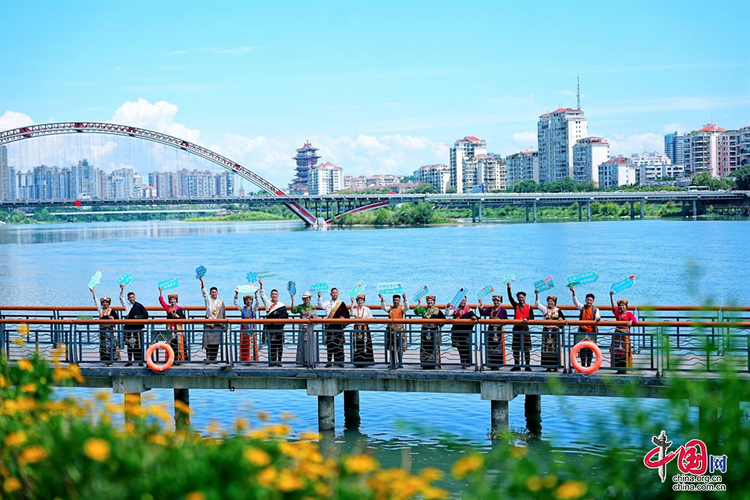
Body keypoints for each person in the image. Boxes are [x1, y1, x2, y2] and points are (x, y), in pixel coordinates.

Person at [570, 286, 601, 368]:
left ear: (593, 301)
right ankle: (583, 365)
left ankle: (589, 365)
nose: (589, 301)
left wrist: (598, 318)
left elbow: (597, 316)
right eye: (588, 300)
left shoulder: (595, 309)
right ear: (585, 300)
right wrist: (573, 292)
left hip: (591, 332)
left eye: (590, 300)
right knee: (582, 349)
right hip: (582, 331)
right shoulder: (582, 307)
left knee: (590, 350)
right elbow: (575, 302)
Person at [317, 288, 350, 367]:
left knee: (339, 345)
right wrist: (319, 297)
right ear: (330, 294)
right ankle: (329, 361)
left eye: (336, 293)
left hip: (338, 327)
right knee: (330, 345)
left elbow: (347, 314)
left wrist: (343, 317)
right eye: (333, 293)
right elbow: (321, 306)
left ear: (338, 294)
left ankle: (339, 362)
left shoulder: (341, 303)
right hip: (329, 327)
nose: (334, 294)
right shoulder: (327, 303)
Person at [534, 291, 565, 372]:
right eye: (549, 301)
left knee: (555, 349)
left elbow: (563, 320)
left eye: (552, 301)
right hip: (546, 332)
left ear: (554, 303)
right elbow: (537, 304)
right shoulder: (545, 309)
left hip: (555, 332)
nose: (550, 303)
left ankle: (555, 366)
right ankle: (547, 365)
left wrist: (561, 319)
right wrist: (537, 294)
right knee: (546, 349)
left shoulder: (558, 310)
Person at [260, 279, 288, 367]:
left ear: (278, 295)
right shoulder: (268, 303)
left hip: (279, 328)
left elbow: (286, 316)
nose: (274, 296)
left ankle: (279, 361)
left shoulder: (282, 305)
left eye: (275, 294)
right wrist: (261, 285)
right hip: (270, 328)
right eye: (273, 294)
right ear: (271, 295)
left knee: (279, 345)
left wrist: (278, 314)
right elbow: (262, 295)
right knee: (271, 345)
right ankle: (272, 362)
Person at [507, 283, 534, 371]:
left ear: (525, 298)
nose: (520, 299)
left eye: (522, 297)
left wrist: (527, 318)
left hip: (525, 329)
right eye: (519, 297)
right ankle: (516, 365)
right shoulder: (516, 306)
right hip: (516, 329)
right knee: (516, 348)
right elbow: (510, 298)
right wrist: (509, 288)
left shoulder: (529, 307)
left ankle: (527, 365)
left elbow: (532, 317)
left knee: (527, 348)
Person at [413, 295, 445, 370]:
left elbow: (443, 320)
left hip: (434, 330)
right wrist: (419, 303)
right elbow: (416, 311)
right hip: (425, 330)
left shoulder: (437, 310)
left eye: (431, 301)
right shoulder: (424, 309)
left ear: (434, 302)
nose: (430, 302)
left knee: (434, 346)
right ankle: (425, 363)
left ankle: (435, 363)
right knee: (424, 346)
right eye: (428, 301)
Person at [120, 284, 149, 366]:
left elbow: (146, 315)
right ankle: (130, 361)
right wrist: (122, 289)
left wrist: (138, 317)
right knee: (129, 344)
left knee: (138, 344)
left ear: (135, 297)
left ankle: (139, 361)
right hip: (128, 327)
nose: (132, 299)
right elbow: (121, 299)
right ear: (128, 298)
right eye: (130, 297)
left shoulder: (139, 306)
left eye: (133, 297)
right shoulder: (127, 306)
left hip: (137, 328)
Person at [477, 295, 508, 370]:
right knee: (491, 347)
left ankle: (498, 365)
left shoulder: (503, 310)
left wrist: (500, 321)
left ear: (500, 302)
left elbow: (506, 321)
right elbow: (483, 313)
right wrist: (481, 306)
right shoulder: (490, 309)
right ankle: (491, 364)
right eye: (494, 301)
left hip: (498, 331)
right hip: (491, 331)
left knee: (498, 347)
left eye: (497, 301)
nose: (496, 302)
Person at [200, 277, 226, 363]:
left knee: (216, 343)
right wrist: (202, 281)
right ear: (210, 293)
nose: (214, 293)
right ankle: (208, 358)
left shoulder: (220, 302)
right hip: (209, 323)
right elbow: (204, 291)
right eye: (212, 292)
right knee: (208, 343)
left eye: (215, 292)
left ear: (217, 292)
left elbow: (223, 313)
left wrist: (225, 325)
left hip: (218, 324)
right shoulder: (208, 300)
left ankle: (214, 358)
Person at [446, 296, 477, 368]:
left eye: (464, 300)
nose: (462, 302)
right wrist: (448, 307)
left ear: (466, 301)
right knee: (460, 348)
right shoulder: (455, 309)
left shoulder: (469, 309)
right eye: (461, 300)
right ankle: (463, 362)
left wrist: (473, 318)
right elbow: (448, 314)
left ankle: (468, 362)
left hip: (466, 332)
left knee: (466, 347)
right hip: (457, 331)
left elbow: (474, 317)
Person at [90, 287, 118, 364]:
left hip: (110, 330)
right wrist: (93, 292)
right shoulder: (101, 310)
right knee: (103, 345)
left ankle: (111, 360)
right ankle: (104, 360)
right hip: (102, 330)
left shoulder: (112, 311)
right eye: (104, 303)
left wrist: (111, 318)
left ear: (109, 303)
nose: (105, 304)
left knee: (111, 345)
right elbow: (96, 301)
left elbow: (117, 319)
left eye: (107, 303)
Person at [380, 292, 408, 368]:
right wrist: (382, 300)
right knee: (391, 348)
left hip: (400, 331)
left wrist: (405, 299)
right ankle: (392, 362)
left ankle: (400, 362)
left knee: (400, 348)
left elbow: (407, 308)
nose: (396, 302)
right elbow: (384, 308)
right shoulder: (390, 308)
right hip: (391, 330)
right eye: (394, 300)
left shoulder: (402, 308)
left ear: (399, 301)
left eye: (397, 300)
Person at [610, 291, 637, 374]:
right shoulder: (617, 313)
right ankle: (618, 368)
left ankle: (626, 368)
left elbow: (635, 320)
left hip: (625, 335)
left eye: (623, 305)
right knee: (617, 351)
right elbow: (613, 307)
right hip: (617, 334)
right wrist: (611, 296)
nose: (621, 307)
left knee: (626, 350)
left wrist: (631, 321)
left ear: (626, 307)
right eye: (620, 305)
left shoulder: (629, 313)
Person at [159, 287, 186, 364]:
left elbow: (184, 319)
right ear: (170, 301)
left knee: (178, 344)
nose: (172, 301)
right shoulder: (168, 308)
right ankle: (170, 359)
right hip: (170, 328)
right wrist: (161, 292)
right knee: (170, 344)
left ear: (176, 301)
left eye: (174, 300)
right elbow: (162, 302)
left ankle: (179, 359)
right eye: (171, 300)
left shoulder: (179, 309)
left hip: (178, 328)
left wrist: (178, 317)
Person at [289, 291, 317, 366]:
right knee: (302, 344)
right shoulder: (300, 307)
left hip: (310, 327)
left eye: (307, 298)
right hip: (302, 328)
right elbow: (293, 310)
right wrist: (292, 300)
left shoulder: (313, 307)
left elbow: (316, 318)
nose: (305, 300)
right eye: (304, 298)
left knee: (311, 344)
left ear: (309, 298)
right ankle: (302, 361)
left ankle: (312, 361)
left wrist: (313, 318)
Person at [234, 287, 260, 362]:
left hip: (252, 329)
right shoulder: (242, 309)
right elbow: (235, 303)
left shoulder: (253, 309)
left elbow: (257, 304)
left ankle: (252, 359)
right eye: (247, 300)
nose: (248, 301)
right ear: (245, 301)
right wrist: (236, 294)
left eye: (250, 300)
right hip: (244, 329)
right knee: (244, 344)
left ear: (252, 301)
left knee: (252, 344)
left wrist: (256, 295)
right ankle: (245, 359)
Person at [350, 294, 375, 366]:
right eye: (358, 301)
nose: (360, 302)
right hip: (357, 329)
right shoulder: (355, 309)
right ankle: (357, 362)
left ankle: (367, 362)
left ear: (363, 301)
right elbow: (351, 314)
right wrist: (352, 303)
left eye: (361, 300)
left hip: (365, 328)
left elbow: (371, 318)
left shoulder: (367, 309)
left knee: (366, 345)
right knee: (357, 345)